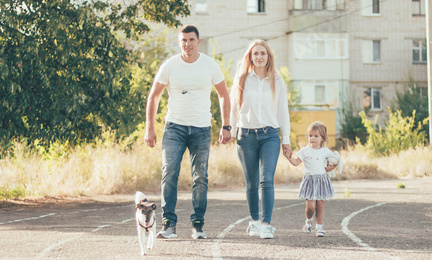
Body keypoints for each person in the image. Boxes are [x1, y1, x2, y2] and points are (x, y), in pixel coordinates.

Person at [144, 25, 232, 240]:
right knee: (169, 172)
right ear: (179, 42)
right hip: (174, 127)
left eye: (191, 40)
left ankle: (198, 225)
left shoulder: (209, 65)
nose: (187, 44)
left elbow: (223, 94)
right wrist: (150, 127)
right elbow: (154, 96)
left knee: (200, 177)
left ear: (198, 41)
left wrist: (226, 125)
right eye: (183, 40)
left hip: (201, 128)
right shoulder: (170, 65)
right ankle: (169, 225)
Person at [229, 39, 292, 239]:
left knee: (267, 180)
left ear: (268, 57)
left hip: (270, 136)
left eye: (262, 53)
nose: (259, 57)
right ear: (250, 57)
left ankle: (266, 224)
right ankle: (254, 222)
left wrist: (286, 139)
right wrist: (229, 131)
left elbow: (283, 111)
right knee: (251, 183)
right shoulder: (241, 80)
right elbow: (232, 108)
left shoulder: (277, 80)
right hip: (245, 135)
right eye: (255, 53)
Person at [287, 121, 339, 237]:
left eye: (316, 136)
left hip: (322, 181)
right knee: (310, 207)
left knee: (320, 206)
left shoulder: (326, 151)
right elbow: (296, 162)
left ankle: (319, 228)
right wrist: (289, 157)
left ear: (322, 138)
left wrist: (332, 166)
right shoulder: (305, 151)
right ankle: (308, 221)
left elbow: (330, 166)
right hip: (309, 181)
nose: (312, 138)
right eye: (310, 136)